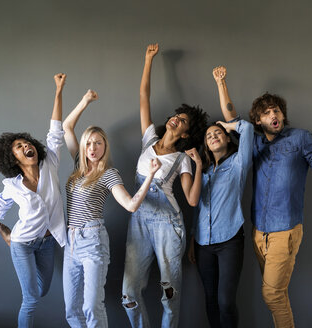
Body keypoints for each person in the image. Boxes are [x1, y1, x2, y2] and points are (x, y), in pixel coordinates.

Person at [215, 67, 312, 328]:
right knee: (278, 295)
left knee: (271, 294)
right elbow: (234, 120)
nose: (274, 114)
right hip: (259, 232)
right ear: (259, 120)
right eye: (267, 112)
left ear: (282, 115)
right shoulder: (256, 142)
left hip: (286, 231)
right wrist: (221, 82)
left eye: (277, 110)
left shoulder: (301, 138)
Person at [0, 73, 68, 328]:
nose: (25, 147)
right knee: (31, 299)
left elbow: (55, 130)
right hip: (23, 243)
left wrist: (58, 90)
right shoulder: (12, 186)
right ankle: (10, 237)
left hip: (47, 242)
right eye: (18, 148)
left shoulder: (50, 164)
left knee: (42, 292)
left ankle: (7, 236)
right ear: (14, 161)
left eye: (26, 143)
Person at [121, 43, 208, 328]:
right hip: (139, 221)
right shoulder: (149, 140)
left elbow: (192, 200)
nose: (175, 118)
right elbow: (144, 96)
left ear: (186, 132)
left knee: (169, 293)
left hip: (168, 225)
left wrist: (198, 166)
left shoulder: (182, 158)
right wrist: (149, 59)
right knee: (129, 294)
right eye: (176, 115)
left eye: (182, 120)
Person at [62, 89, 162, 328]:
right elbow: (66, 127)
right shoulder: (78, 166)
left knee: (91, 306)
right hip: (71, 242)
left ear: (105, 146)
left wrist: (150, 176)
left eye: (98, 142)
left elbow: (130, 204)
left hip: (92, 241)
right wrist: (84, 101)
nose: (93, 147)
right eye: (89, 143)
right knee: (71, 310)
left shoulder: (108, 174)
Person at [186, 66, 254, 328]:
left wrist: (224, 123)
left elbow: (246, 129)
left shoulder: (238, 163)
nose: (213, 136)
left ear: (226, 138)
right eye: (209, 135)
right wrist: (193, 237)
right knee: (210, 301)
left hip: (230, 241)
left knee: (226, 302)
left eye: (218, 133)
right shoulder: (202, 172)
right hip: (203, 242)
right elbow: (197, 208)